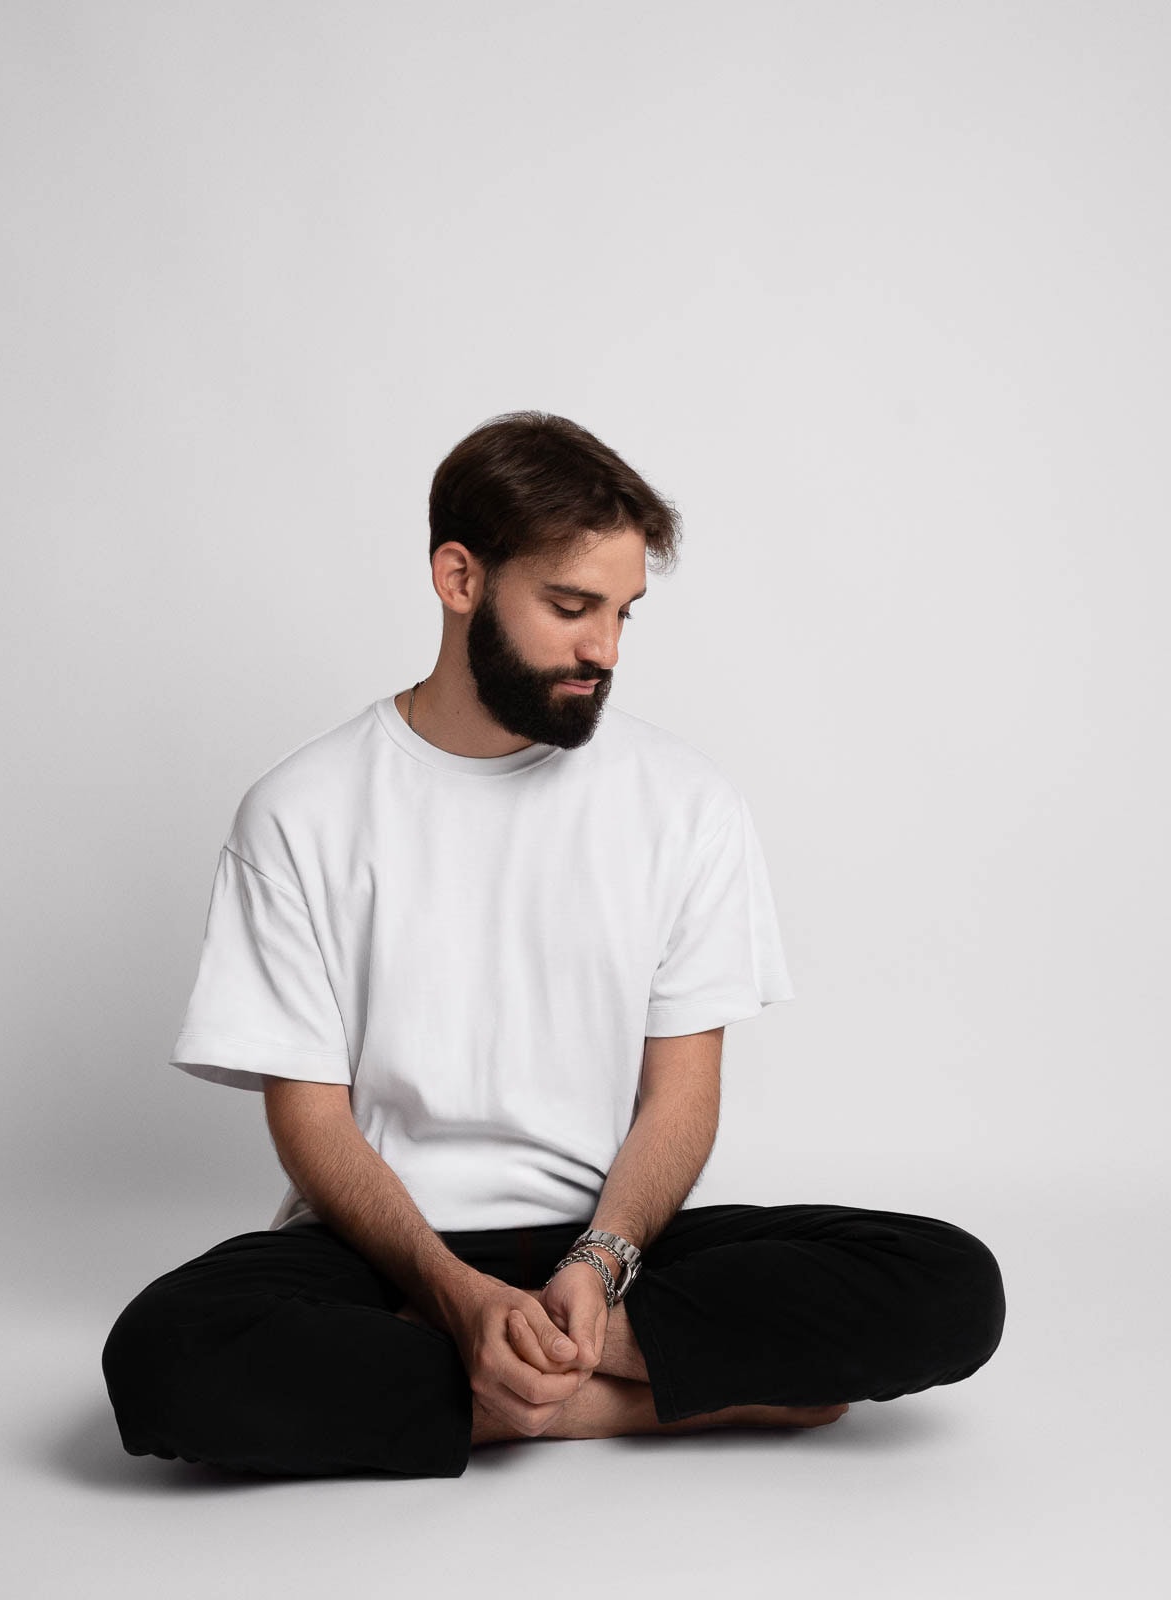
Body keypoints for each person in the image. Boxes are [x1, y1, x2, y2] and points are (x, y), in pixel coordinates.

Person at [102, 411, 1006, 1479]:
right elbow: (308, 1116)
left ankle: (530, 1380)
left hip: (608, 1247)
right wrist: (458, 1296)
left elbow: (681, 1097)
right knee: (162, 1361)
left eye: (623, 613)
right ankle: (674, 1396)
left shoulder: (684, 805)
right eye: (571, 607)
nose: (605, 649)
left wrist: (598, 1265)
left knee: (949, 1281)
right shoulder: (300, 812)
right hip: (384, 1253)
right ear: (458, 577)